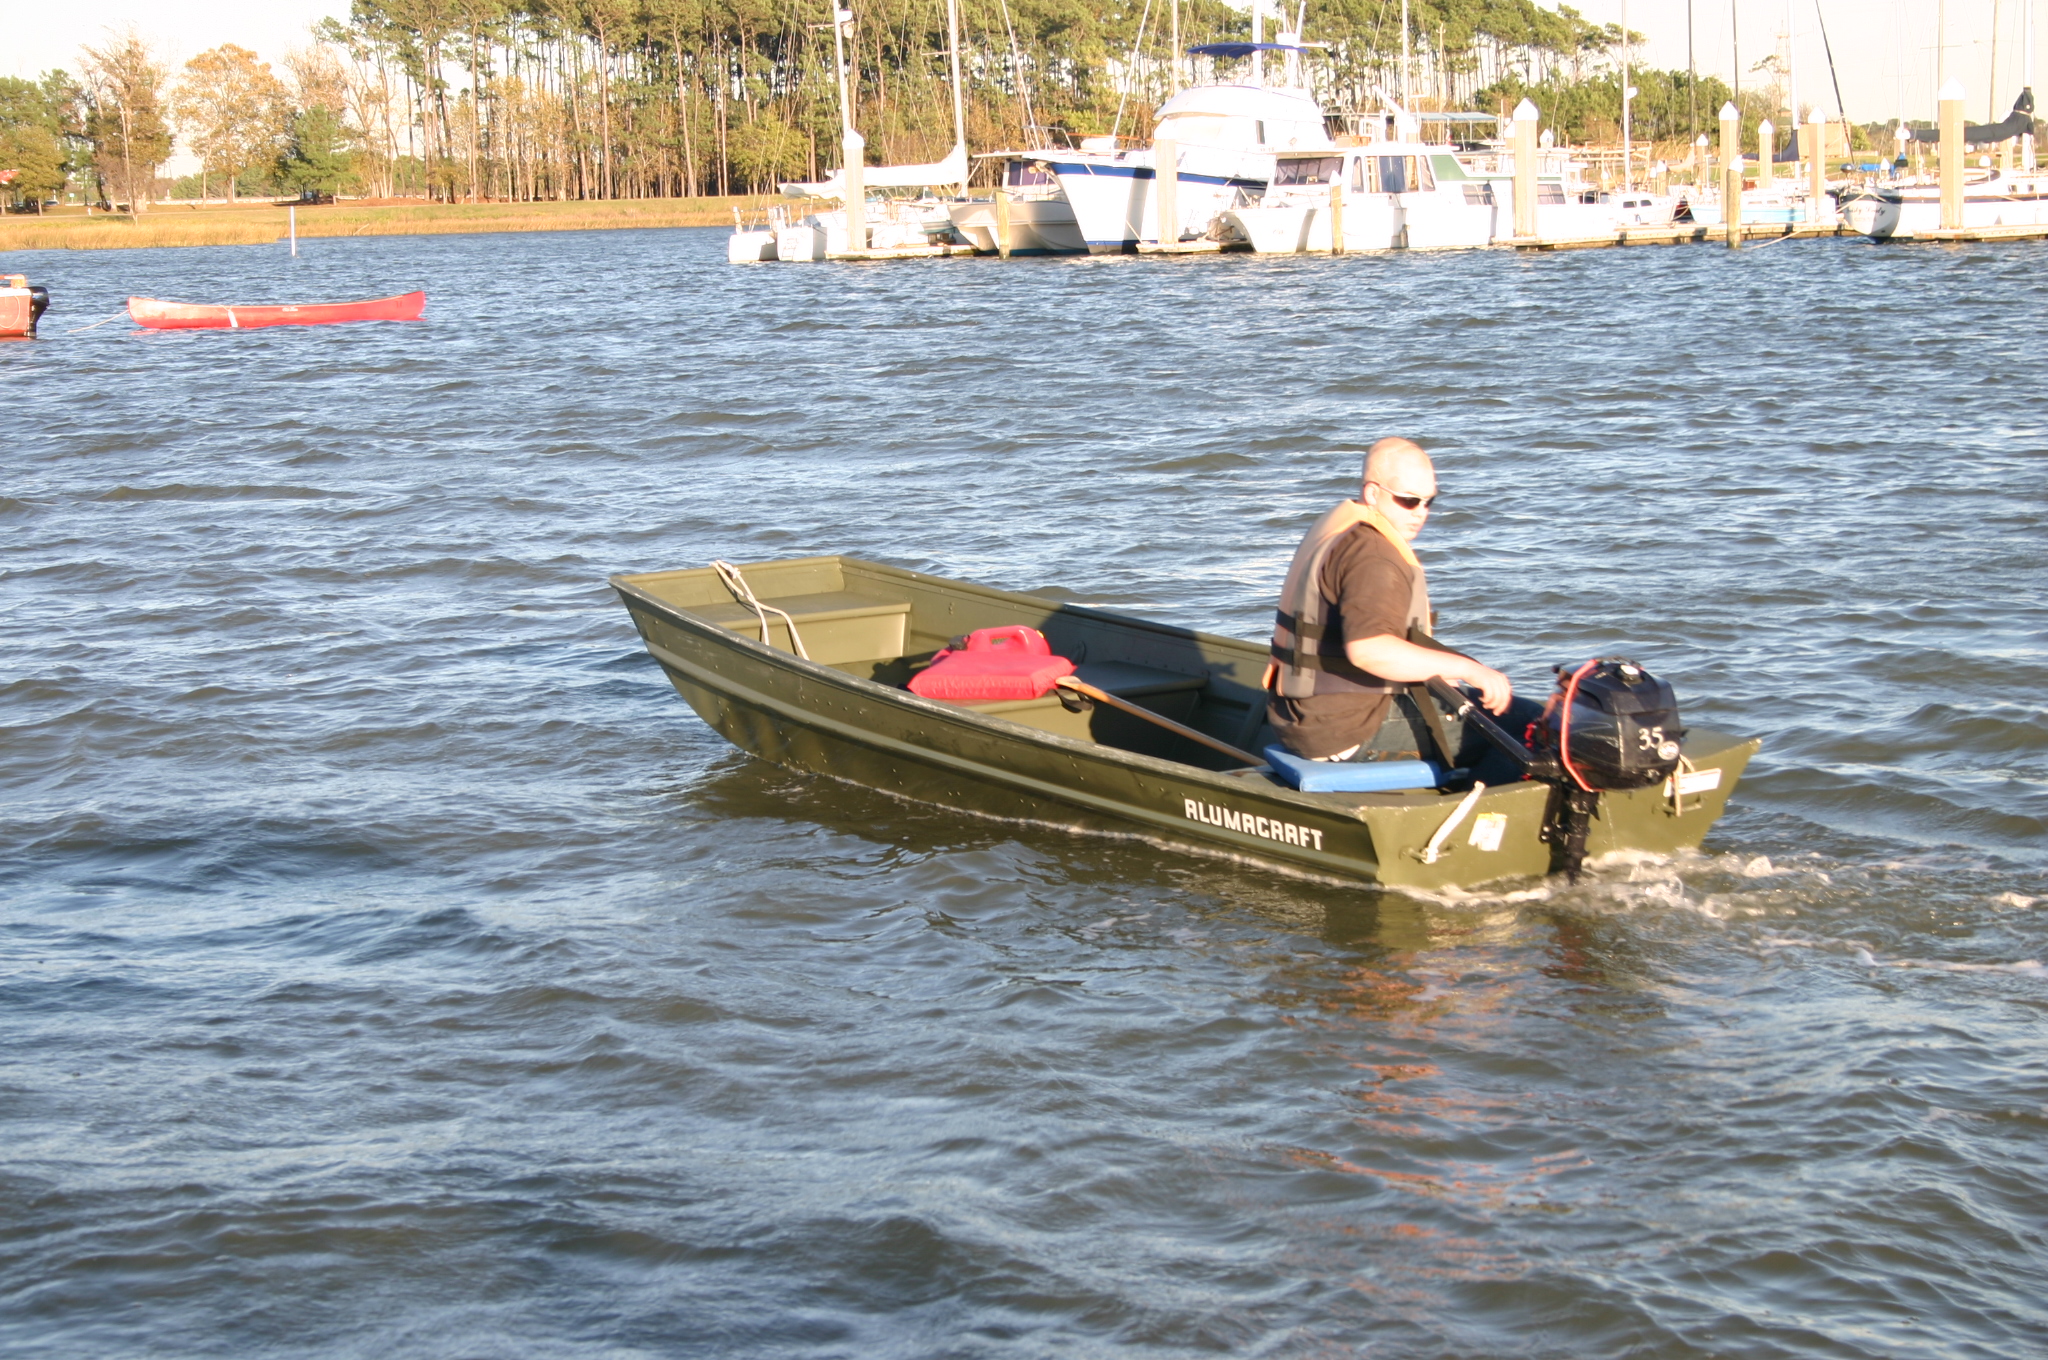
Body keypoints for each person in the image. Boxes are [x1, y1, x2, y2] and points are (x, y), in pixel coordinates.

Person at [1265, 438, 1513, 761]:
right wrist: (1470, 669)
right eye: (1409, 501)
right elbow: (1369, 650)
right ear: (1372, 493)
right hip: (1344, 728)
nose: (1421, 513)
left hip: (1296, 715)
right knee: (1521, 727)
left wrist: (1437, 670)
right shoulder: (1375, 557)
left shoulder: (1345, 530)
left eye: (1429, 502)